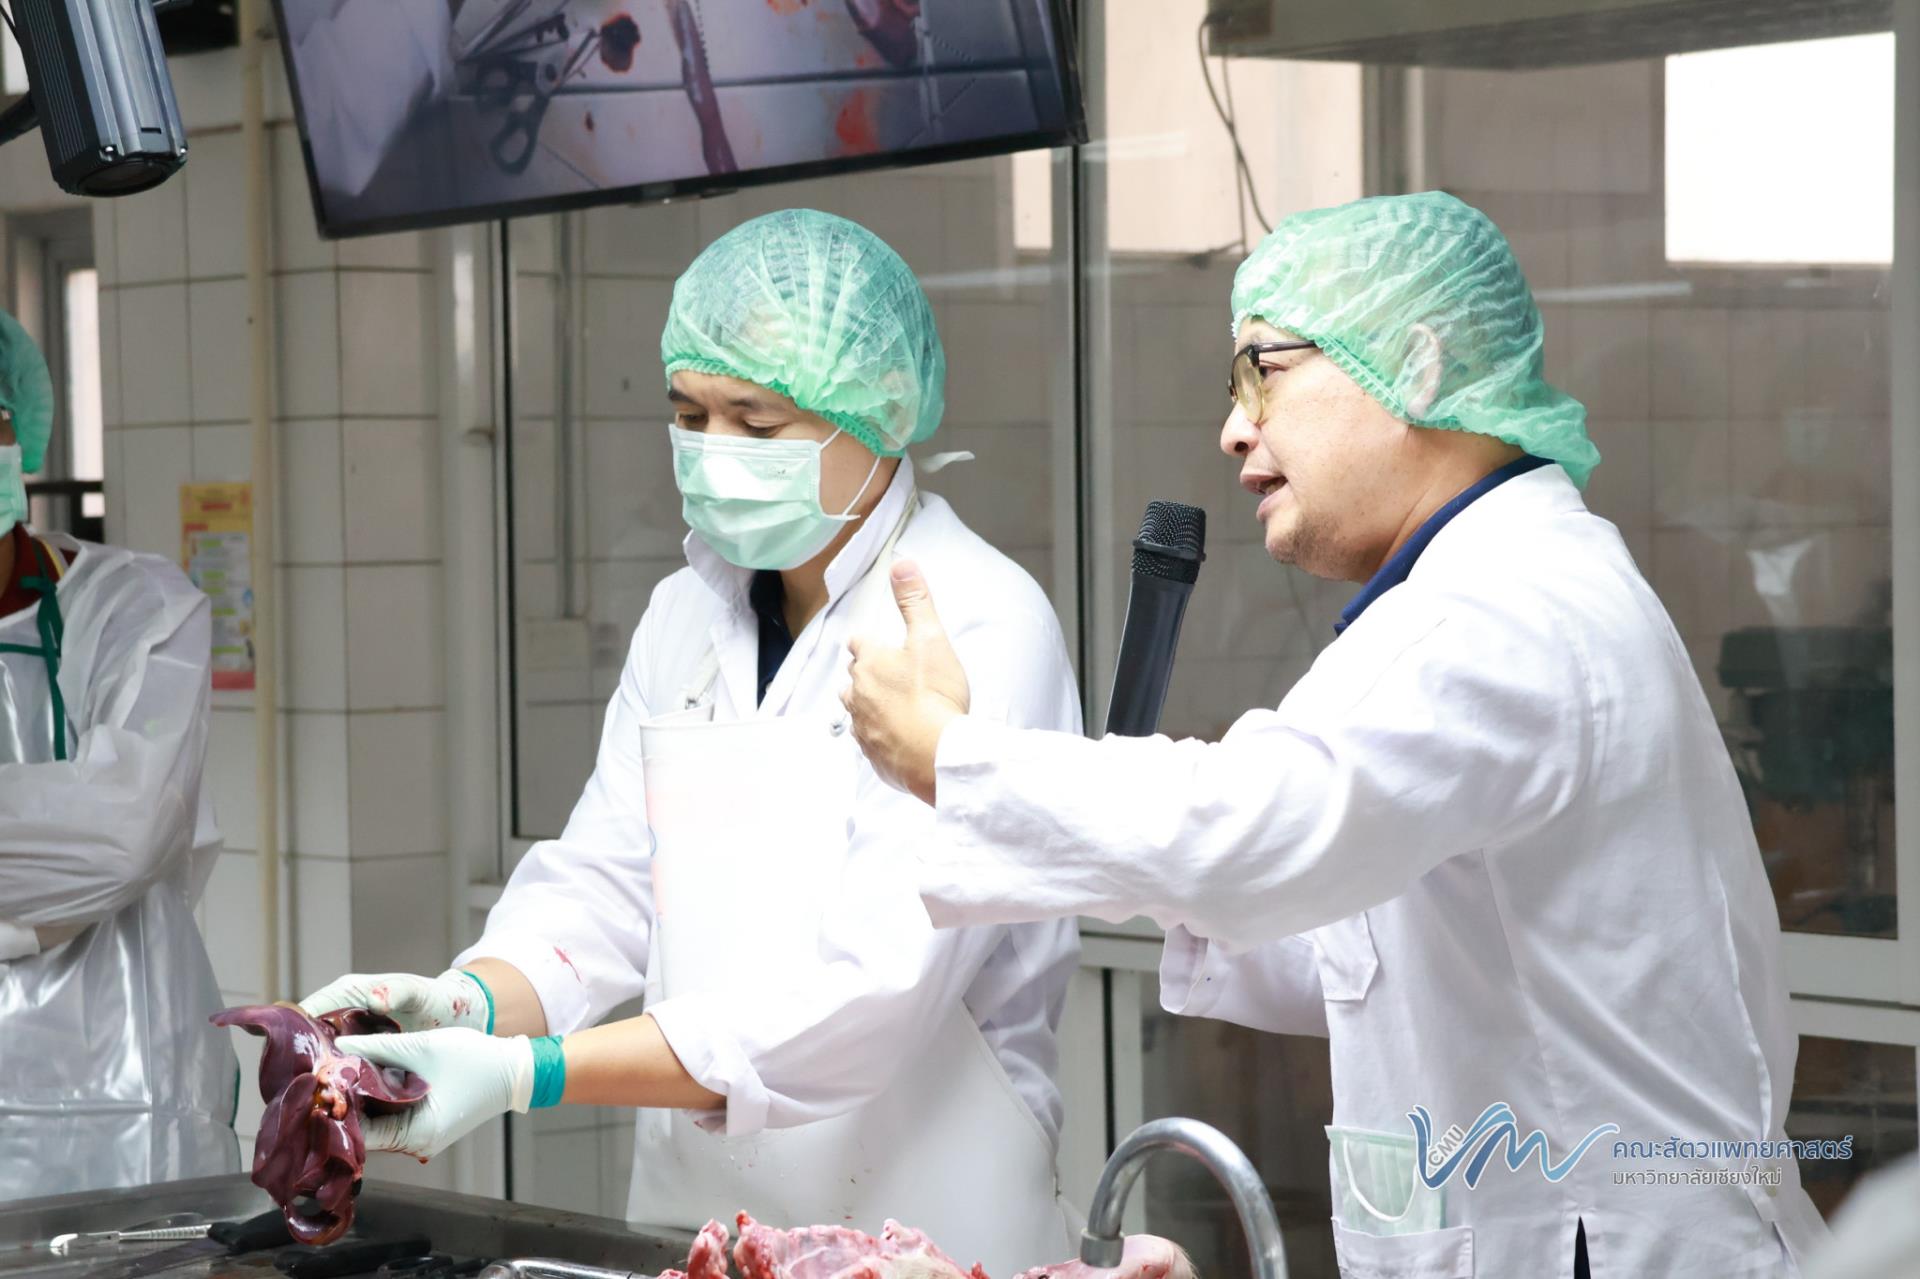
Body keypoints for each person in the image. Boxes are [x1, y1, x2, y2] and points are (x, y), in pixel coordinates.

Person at [842, 192, 1829, 1278]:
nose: (1233, 428)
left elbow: (1257, 825)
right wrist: (1135, 856)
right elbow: (1368, 954)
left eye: (1262, 371)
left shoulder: (1495, 613)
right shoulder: (1507, 585)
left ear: (1415, 366)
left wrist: (953, 758)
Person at [302, 211, 1082, 1275]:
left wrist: (529, 1071)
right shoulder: (686, 614)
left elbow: (868, 1001)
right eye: (689, 414)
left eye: (756, 424)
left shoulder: (977, 621)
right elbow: (606, 884)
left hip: (929, 1230)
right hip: (703, 1228)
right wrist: (469, 1000)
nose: (715, 451)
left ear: (879, 410)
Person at [0, 308, 237, 1198]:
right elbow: (82, 844)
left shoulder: (139, 609)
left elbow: (121, 834)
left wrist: (79, 858)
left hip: (131, 1125)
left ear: (17, 438)